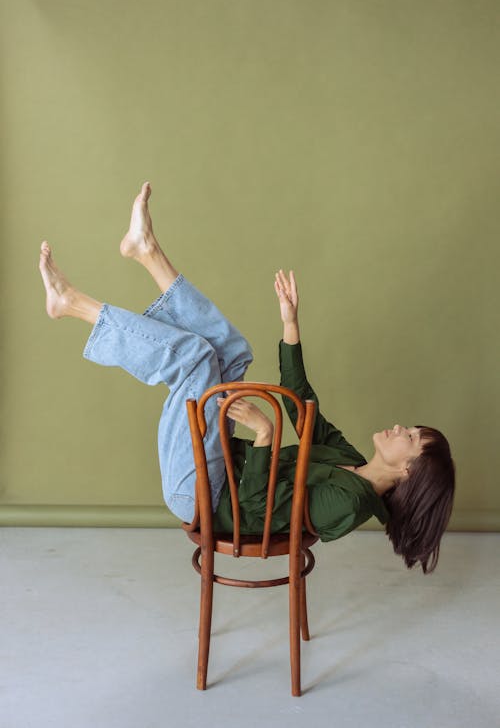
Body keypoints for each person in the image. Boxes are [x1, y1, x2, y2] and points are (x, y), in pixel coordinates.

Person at [39, 183, 455, 574]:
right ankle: (146, 251)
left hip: (203, 495)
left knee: (198, 360)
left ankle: (71, 303)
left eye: (412, 438)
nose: (402, 428)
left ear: (408, 472)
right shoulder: (349, 461)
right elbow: (299, 401)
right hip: (217, 466)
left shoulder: (348, 503)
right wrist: (291, 323)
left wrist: (265, 434)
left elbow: (259, 511)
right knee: (233, 351)